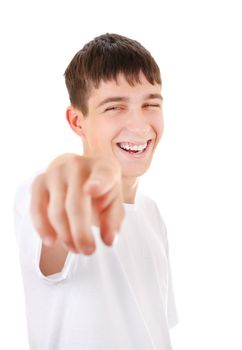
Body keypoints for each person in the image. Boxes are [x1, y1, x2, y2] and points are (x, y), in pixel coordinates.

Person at [14, 33, 178, 350]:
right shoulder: (43, 192)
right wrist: (65, 170)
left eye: (151, 104)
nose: (141, 125)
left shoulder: (151, 213)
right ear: (77, 121)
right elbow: (56, 197)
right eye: (114, 107)